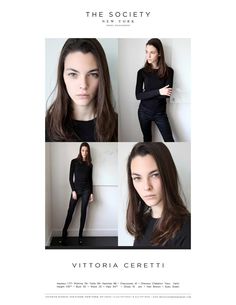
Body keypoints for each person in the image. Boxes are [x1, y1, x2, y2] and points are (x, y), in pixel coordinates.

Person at [46, 38, 118, 142]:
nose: (83, 85)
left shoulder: (117, 126)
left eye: (93, 74)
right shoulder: (46, 128)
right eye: (73, 74)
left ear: (102, 77)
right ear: (62, 76)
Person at [126, 142, 190, 248]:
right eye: (137, 178)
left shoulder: (187, 230)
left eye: (155, 175)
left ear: (168, 174)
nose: (146, 187)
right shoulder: (142, 222)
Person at [135, 38, 174, 142]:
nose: (148, 56)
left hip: (160, 113)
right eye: (146, 52)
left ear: (159, 53)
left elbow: (167, 95)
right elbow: (138, 96)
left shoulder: (169, 72)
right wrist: (159, 92)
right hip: (143, 112)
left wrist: (147, 94)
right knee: (147, 140)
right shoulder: (141, 72)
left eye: (152, 52)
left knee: (169, 140)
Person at [62, 142, 94, 245]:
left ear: (88, 152)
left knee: (83, 212)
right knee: (70, 211)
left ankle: (80, 236)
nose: (84, 152)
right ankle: (64, 233)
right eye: (83, 150)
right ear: (80, 151)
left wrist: (92, 193)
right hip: (76, 189)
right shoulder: (74, 162)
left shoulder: (90, 164)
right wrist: (73, 191)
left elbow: (90, 179)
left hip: (86, 190)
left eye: (86, 151)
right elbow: (70, 178)